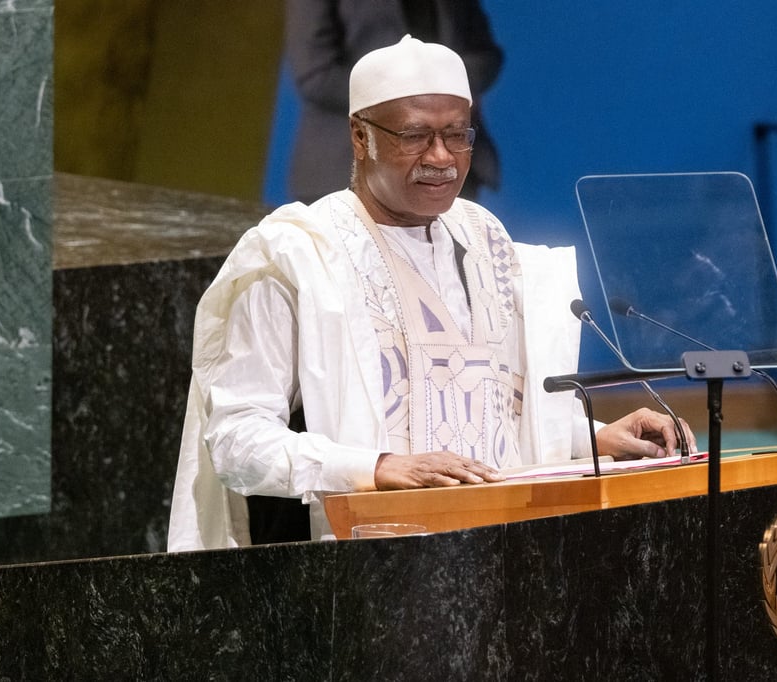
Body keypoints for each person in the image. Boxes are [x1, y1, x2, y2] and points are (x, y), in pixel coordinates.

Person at [168, 36, 695, 552]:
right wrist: (375, 468)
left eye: (458, 135)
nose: (441, 157)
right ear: (359, 135)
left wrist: (595, 439)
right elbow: (236, 442)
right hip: (367, 565)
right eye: (415, 136)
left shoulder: (487, 241)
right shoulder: (296, 255)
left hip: (506, 552)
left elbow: (492, 421)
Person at [285, 0, 503, 203]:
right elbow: (316, 75)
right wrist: (411, 96)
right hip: (345, 172)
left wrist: (447, 89)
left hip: (448, 173)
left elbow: (484, 54)